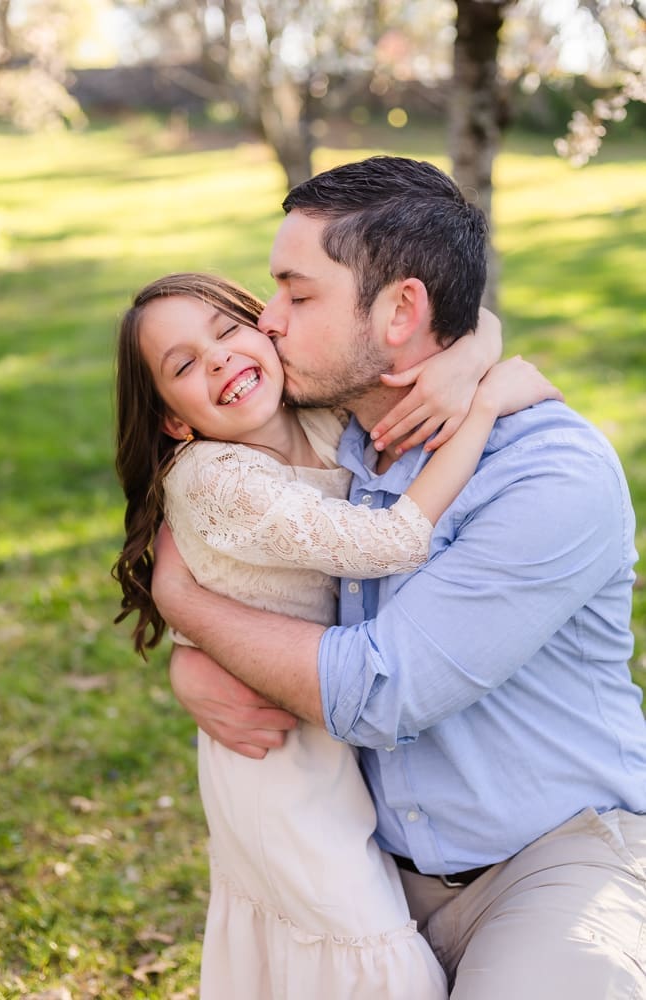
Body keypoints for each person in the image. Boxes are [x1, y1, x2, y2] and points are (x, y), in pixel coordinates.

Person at [151, 156, 646, 1000]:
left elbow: (382, 690)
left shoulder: (549, 474)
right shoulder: (321, 425)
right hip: (372, 871)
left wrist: (183, 605)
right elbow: (243, 548)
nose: (264, 324)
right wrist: (192, 658)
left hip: (554, 863)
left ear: (402, 310)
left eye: (297, 296)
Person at [113, 269, 559, 999]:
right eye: (184, 365)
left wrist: (476, 349)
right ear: (173, 421)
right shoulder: (213, 478)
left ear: (267, 328)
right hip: (273, 755)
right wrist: (481, 408)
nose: (219, 359)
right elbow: (384, 542)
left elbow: (451, 320)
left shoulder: (319, 418)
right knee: (363, 950)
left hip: (337, 715)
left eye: (227, 330)